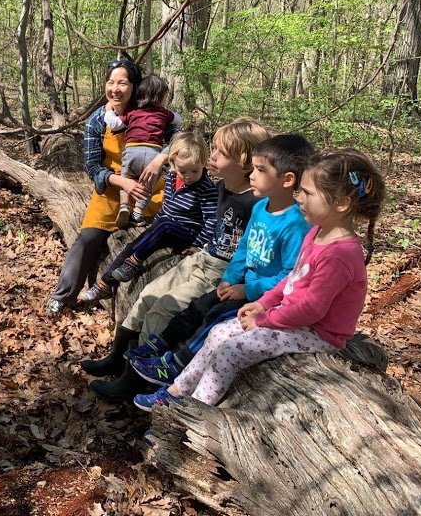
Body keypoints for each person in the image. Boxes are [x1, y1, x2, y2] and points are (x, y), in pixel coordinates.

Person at [134, 148, 385, 409]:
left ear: (341, 204)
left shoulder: (339, 255)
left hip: (319, 333)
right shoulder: (317, 233)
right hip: (292, 317)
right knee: (219, 332)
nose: (299, 199)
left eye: (308, 193)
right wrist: (264, 303)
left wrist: (264, 319)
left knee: (231, 351)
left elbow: (311, 310)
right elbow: (292, 282)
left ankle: (194, 408)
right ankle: (176, 391)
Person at [84, 117, 270, 401]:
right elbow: (181, 150)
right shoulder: (221, 188)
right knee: (147, 294)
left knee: (162, 309)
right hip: (203, 258)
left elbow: (256, 255)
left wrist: (243, 286)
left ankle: (134, 380)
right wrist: (160, 160)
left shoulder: (257, 202)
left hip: (221, 273)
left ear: (245, 163)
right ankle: (117, 358)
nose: (213, 156)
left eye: (220, 153)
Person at [127, 134, 315, 387]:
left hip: (262, 296)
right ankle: (154, 347)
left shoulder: (294, 224)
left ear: (287, 180)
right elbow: (244, 249)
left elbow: (291, 276)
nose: (252, 174)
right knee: (198, 306)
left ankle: (175, 365)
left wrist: (246, 289)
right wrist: (229, 279)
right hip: (239, 284)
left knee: (214, 318)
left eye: (260, 170)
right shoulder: (262, 209)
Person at [44, 60, 169, 315]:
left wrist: (160, 158)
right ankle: (63, 295)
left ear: (134, 86)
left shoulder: (150, 112)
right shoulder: (97, 120)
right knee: (87, 239)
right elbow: (91, 166)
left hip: (149, 190)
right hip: (111, 191)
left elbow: (182, 141)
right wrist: (121, 181)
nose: (115, 89)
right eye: (110, 82)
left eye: (122, 82)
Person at [76, 131, 217, 304]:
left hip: (187, 233)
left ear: (204, 163)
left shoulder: (207, 188)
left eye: (194, 171)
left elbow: (211, 220)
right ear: (172, 164)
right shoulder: (172, 177)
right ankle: (104, 285)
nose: (188, 176)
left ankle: (134, 263)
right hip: (166, 227)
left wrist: (198, 245)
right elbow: (167, 206)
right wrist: (155, 224)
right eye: (182, 171)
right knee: (132, 246)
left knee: (163, 226)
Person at [104, 75, 181, 228]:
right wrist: (171, 113)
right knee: (148, 185)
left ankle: (124, 205)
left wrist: (108, 110)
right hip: (153, 154)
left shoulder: (133, 112)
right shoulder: (163, 113)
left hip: (131, 152)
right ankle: (138, 213)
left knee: (125, 178)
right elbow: (178, 120)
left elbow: (114, 124)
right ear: (160, 97)